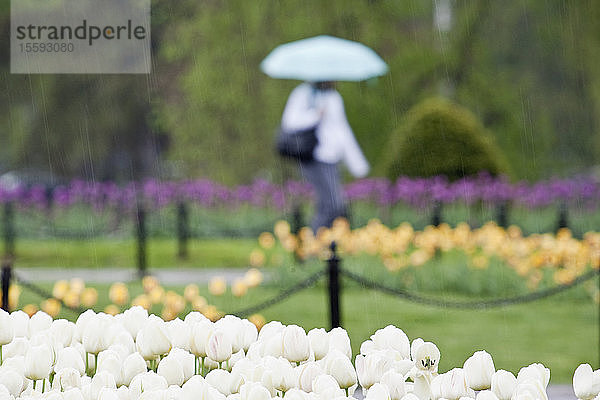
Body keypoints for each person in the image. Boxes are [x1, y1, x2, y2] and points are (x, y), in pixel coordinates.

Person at [281, 81, 370, 233]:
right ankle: (314, 244)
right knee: (332, 204)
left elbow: (342, 130)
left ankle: (322, 244)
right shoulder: (303, 94)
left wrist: (357, 164)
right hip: (313, 157)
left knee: (328, 204)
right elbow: (290, 123)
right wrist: (315, 115)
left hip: (332, 158)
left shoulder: (333, 98)